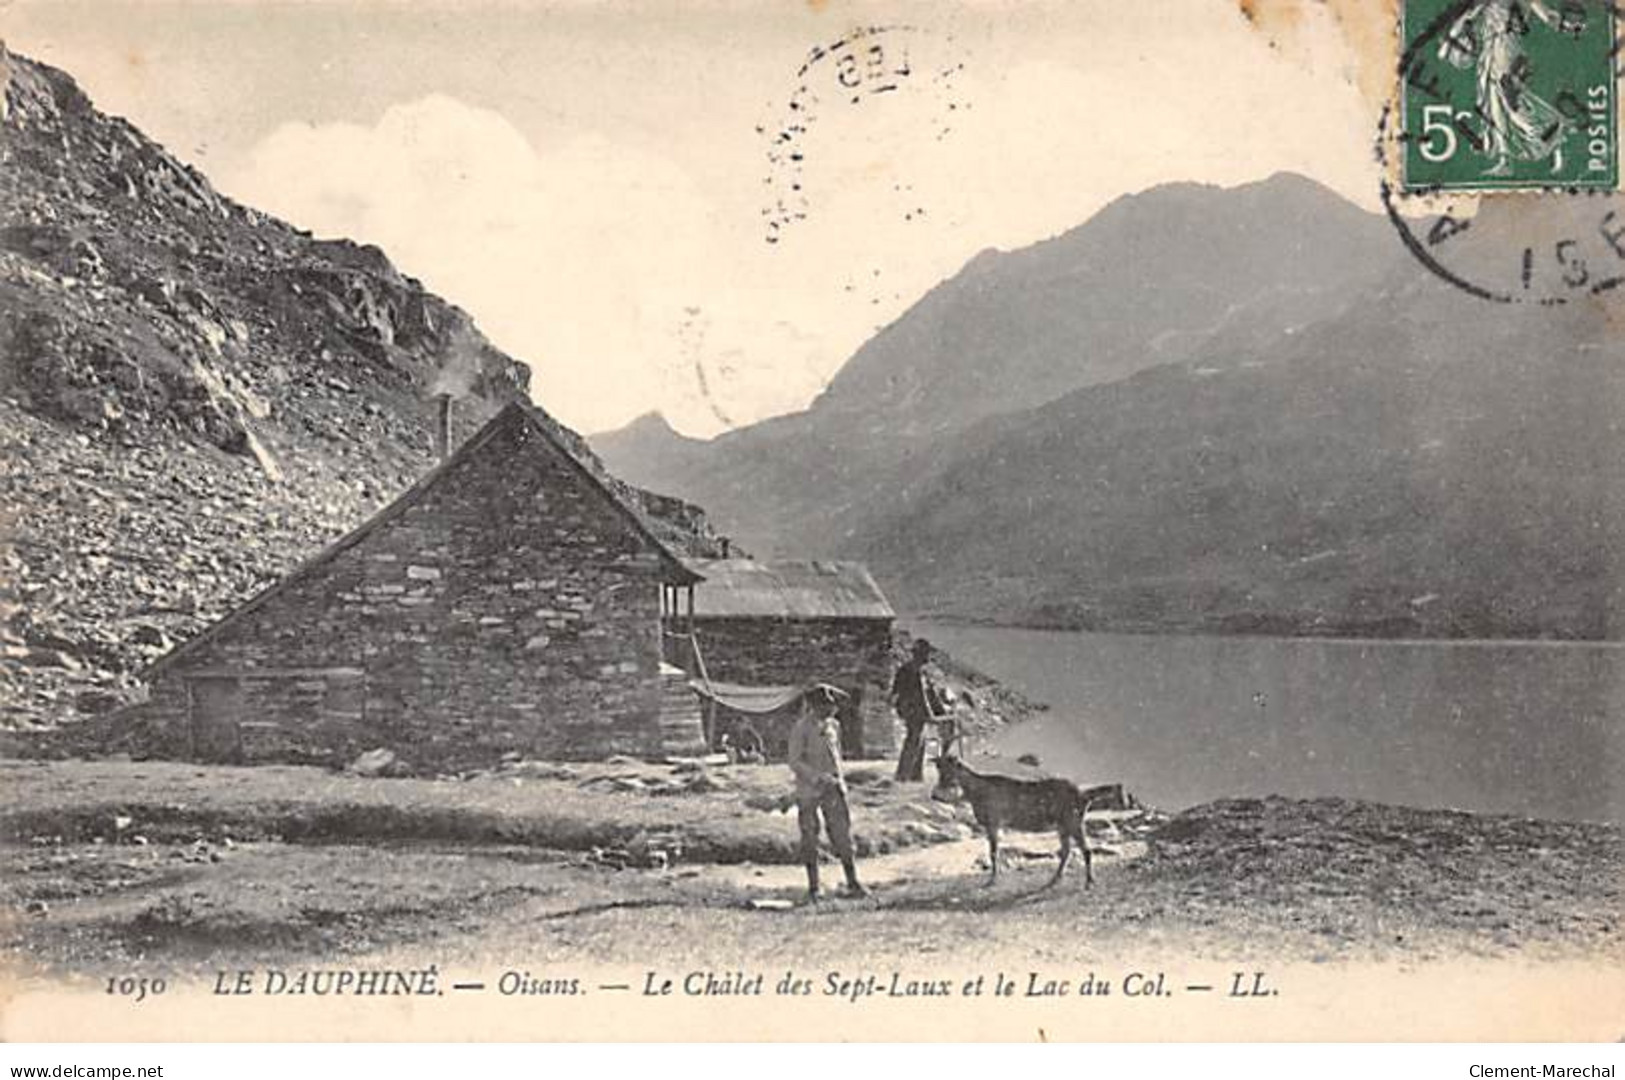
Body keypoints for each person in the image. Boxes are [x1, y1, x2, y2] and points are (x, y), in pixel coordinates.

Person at [1438, 0, 1585, 177]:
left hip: (1506, 51)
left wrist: (1568, 24)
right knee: (1496, 105)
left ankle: (1552, 131)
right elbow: (1469, 16)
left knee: (1511, 104)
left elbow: (1548, 16)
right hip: (1491, 51)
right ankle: (1505, 158)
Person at [787, 683, 868, 900]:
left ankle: (853, 882)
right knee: (810, 837)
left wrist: (838, 780)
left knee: (842, 834)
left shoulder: (834, 726)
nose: (830, 709)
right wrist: (816, 777)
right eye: (825, 705)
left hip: (833, 788)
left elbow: (836, 756)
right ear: (814, 706)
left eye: (831, 705)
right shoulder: (801, 728)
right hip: (809, 791)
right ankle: (814, 887)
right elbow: (794, 760)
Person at [890, 638, 943, 781]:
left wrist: (940, 709)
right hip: (914, 712)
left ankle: (915, 775)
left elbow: (930, 694)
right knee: (913, 741)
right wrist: (931, 714)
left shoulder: (918, 671)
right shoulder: (911, 671)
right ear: (920, 654)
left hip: (913, 711)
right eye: (925, 654)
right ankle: (903, 775)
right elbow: (921, 696)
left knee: (920, 741)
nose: (927, 657)